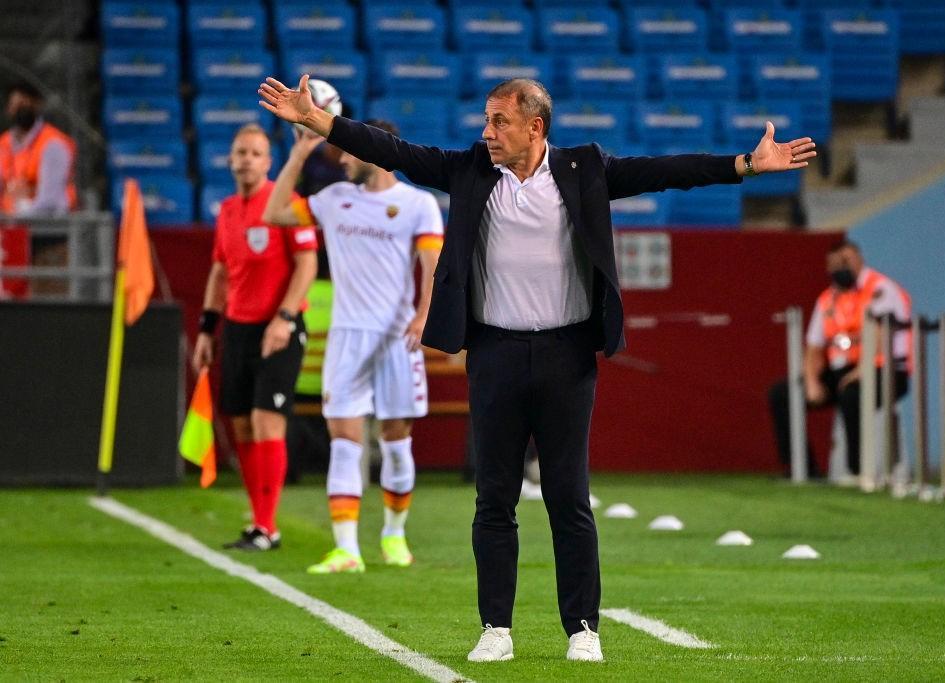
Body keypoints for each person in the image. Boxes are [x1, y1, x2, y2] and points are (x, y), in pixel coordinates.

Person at [258, 74, 814, 662]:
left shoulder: (585, 169)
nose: (487, 132)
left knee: (567, 495)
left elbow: (665, 170)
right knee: (493, 497)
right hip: (493, 353)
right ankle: (495, 629)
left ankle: (583, 630)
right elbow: (396, 153)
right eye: (486, 120)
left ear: (535, 126)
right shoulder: (471, 170)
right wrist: (323, 124)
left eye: (499, 122)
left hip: (566, 355)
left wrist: (745, 165)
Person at [262, 120, 443, 574]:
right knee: (344, 442)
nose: (341, 160)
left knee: (396, 440)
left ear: (374, 152)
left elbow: (433, 268)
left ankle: (394, 535)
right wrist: (298, 155)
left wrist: (424, 317)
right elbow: (275, 212)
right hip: (347, 337)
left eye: (348, 152)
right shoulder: (334, 201)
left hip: (397, 337)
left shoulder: (417, 204)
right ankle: (346, 549)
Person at [192, 123, 318, 551]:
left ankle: (267, 526)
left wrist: (284, 318)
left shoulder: (287, 204)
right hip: (239, 328)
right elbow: (219, 271)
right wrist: (208, 329)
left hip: (279, 329)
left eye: (255, 153)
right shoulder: (227, 210)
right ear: (230, 160)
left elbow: (306, 264)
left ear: (268, 162)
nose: (245, 159)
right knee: (242, 424)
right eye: (240, 152)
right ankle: (259, 521)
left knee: (267, 420)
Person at [768, 240, 912, 479]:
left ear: (859, 259)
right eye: (834, 264)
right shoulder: (827, 299)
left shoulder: (880, 289)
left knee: (852, 394)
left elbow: (880, 337)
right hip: (842, 370)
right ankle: (801, 467)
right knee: (783, 393)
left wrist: (859, 373)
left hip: (884, 370)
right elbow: (814, 346)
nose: (841, 268)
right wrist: (812, 381)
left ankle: (857, 470)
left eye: (846, 261)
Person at [0, 81, 76, 216]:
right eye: (18, 105)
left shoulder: (53, 144)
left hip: (47, 228)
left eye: (27, 104)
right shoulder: (3, 144)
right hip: (10, 226)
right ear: (9, 109)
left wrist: (20, 209)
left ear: (37, 106)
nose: (22, 109)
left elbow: (49, 202)